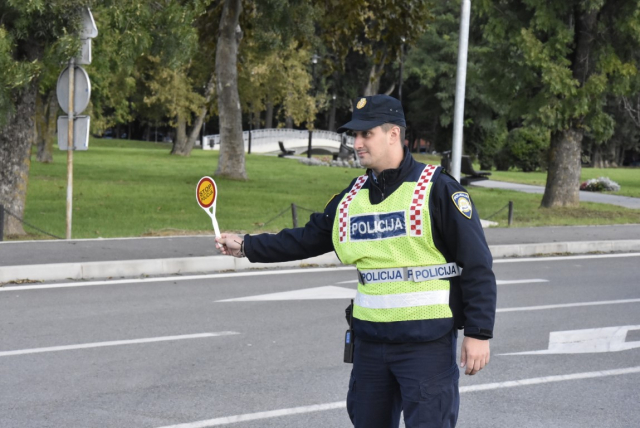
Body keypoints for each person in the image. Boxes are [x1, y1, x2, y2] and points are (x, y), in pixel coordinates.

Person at [216, 94, 497, 428]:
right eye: (355, 135)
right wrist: (247, 246)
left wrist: (479, 333)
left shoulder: (437, 189)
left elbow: (477, 263)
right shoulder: (353, 196)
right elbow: (308, 238)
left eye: (367, 134)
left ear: (394, 134)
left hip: (425, 346)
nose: (357, 142)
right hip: (371, 345)